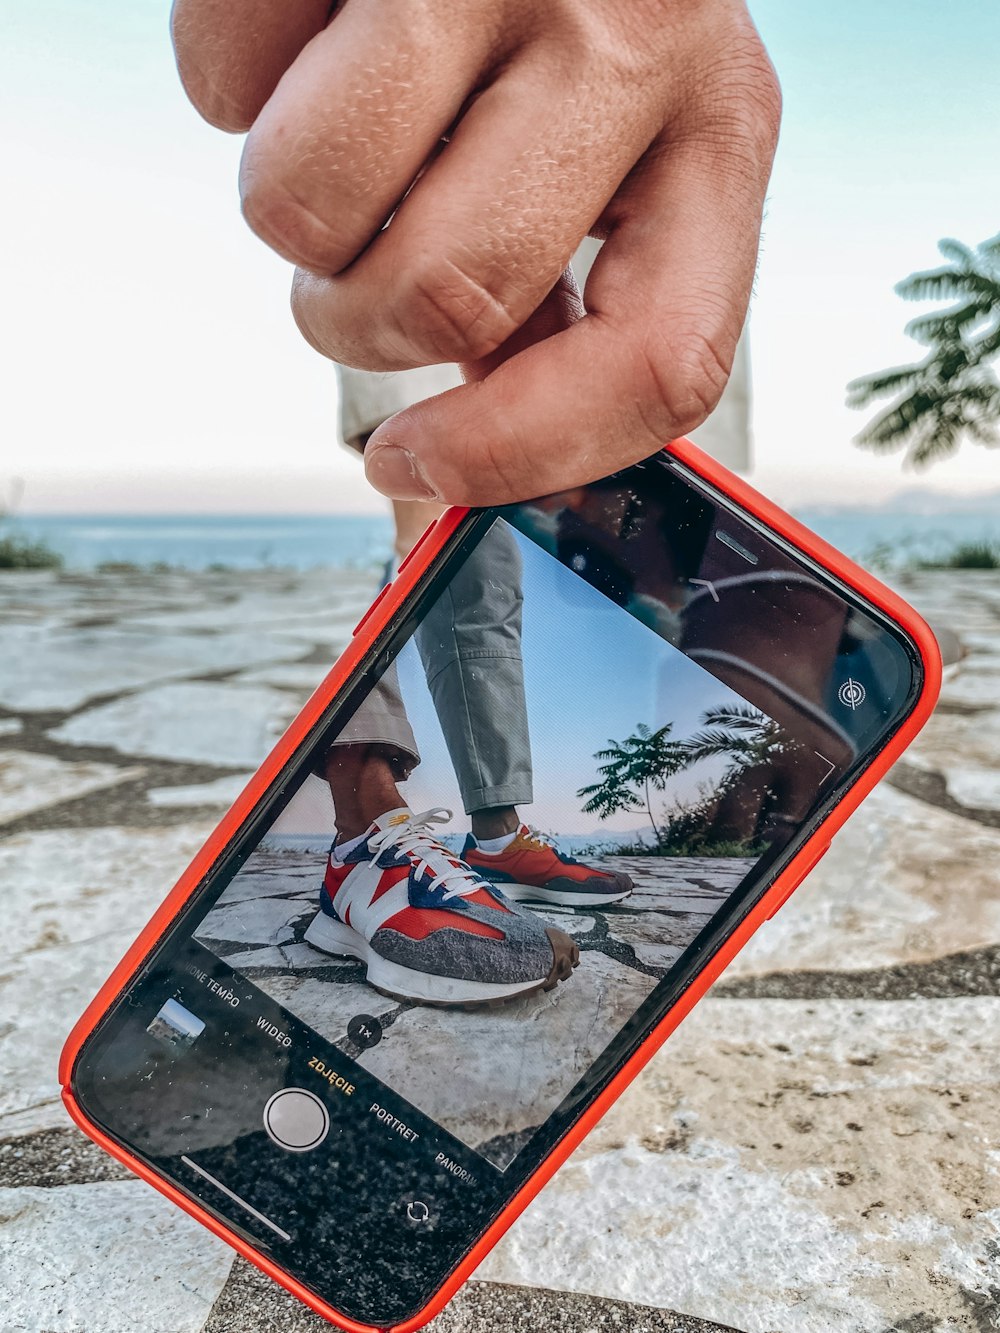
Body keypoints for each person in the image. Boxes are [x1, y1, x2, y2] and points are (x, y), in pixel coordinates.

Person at [168, 0, 781, 1004]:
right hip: (428, 84)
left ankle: (494, 835)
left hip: (635, 93)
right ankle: (366, 834)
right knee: (447, 506)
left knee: (648, 509)